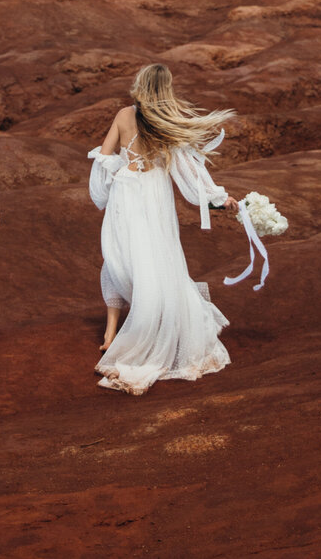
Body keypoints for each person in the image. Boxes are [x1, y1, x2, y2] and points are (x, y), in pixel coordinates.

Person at [89, 62, 241, 395]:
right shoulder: (167, 126)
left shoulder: (123, 115)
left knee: (120, 257)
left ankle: (111, 335)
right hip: (153, 195)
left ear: (140, 85)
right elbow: (190, 178)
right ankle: (138, 332)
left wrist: (108, 187)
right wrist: (220, 199)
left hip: (125, 194)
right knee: (156, 259)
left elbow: (102, 159)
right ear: (166, 90)